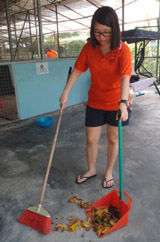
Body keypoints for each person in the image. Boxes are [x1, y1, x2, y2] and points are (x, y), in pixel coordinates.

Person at [59, 6, 132, 189]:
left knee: (113, 139)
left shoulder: (123, 50)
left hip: (117, 103)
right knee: (91, 140)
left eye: (106, 32)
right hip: (96, 102)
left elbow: (125, 78)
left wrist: (123, 103)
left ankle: (108, 171)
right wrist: (65, 92)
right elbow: (77, 71)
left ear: (114, 30)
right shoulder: (89, 48)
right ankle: (91, 169)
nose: (101, 37)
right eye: (97, 32)